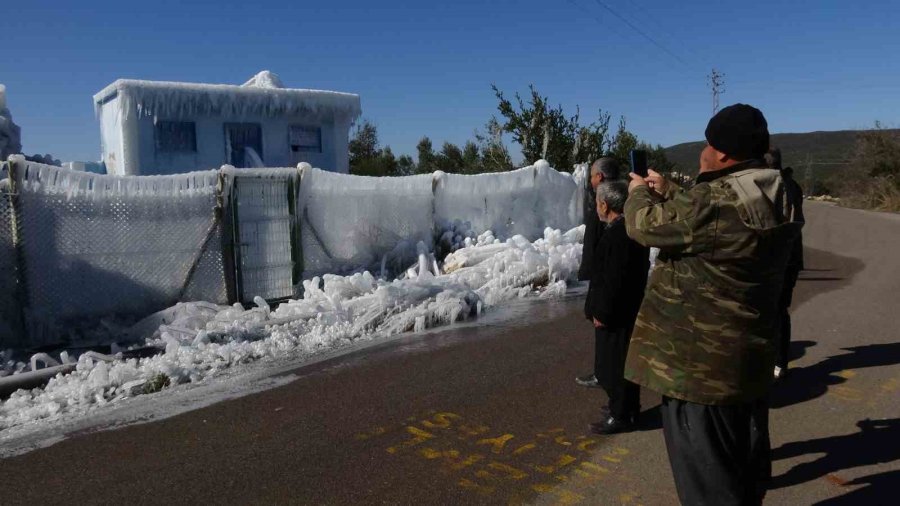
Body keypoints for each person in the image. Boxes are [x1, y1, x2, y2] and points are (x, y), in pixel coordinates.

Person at [624, 104, 802, 505]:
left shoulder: (711, 203)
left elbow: (642, 226)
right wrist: (672, 190)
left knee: (709, 487)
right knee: (742, 470)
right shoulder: (781, 189)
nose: (703, 150)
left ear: (721, 153)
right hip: (747, 360)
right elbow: (721, 217)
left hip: (699, 372)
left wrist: (637, 193)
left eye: (708, 143)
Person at [584, 181, 650, 434]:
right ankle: (627, 408)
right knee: (621, 363)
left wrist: (602, 312)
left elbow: (613, 281)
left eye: (598, 203)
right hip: (626, 309)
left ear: (605, 204)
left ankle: (620, 413)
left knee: (614, 366)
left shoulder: (618, 234)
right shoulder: (627, 229)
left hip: (616, 313)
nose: (597, 207)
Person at [577, 157, 622, 388]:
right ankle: (605, 372)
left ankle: (605, 375)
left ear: (600, 177)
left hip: (604, 275)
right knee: (605, 326)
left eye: (592, 175)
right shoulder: (622, 197)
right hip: (606, 274)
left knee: (604, 323)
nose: (590, 179)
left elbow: (599, 242)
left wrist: (591, 269)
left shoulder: (607, 200)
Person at [765, 148, 805, 378]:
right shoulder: (791, 184)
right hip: (789, 259)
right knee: (779, 310)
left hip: (782, 259)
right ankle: (778, 361)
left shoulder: (779, 186)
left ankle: (778, 363)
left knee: (776, 311)